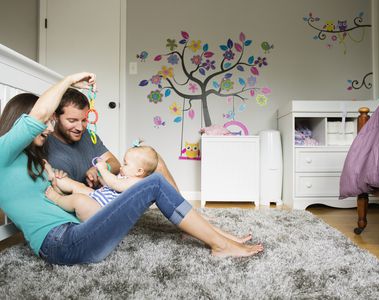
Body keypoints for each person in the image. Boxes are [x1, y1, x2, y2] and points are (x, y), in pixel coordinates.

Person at [0, 72, 263, 265]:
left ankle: (213, 235)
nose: (46, 127)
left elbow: (73, 189)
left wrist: (69, 180)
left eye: (48, 122)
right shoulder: (3, 153)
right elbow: (38, 116)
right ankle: (220, 245)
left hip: (77, 229)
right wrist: (69, 80)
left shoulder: (32, 160)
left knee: (152, 169)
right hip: (63, 242)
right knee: (154, 183)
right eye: (44, 122)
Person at [47, 88, 179, 190]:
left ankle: (182, 211)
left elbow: (114, 163)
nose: (80, 127)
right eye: (72, 120)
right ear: (55, 116)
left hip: (114, 186)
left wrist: (99, 169)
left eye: (84, 120)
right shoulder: (48, 146)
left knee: (154, 160)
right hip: (97, 199)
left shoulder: (88, 135)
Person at [45, 145, 159, 221]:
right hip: (98, 198)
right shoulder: (126, 177)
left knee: (78, 200)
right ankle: (54, 178)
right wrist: (100, 177)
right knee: (78, 186)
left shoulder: (137, 182)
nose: (122, 166)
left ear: (139, 171)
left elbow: (115, 184)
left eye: (126, 164)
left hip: (102, 212)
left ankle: (57, 199)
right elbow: (111, 186)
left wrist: (104, 169)